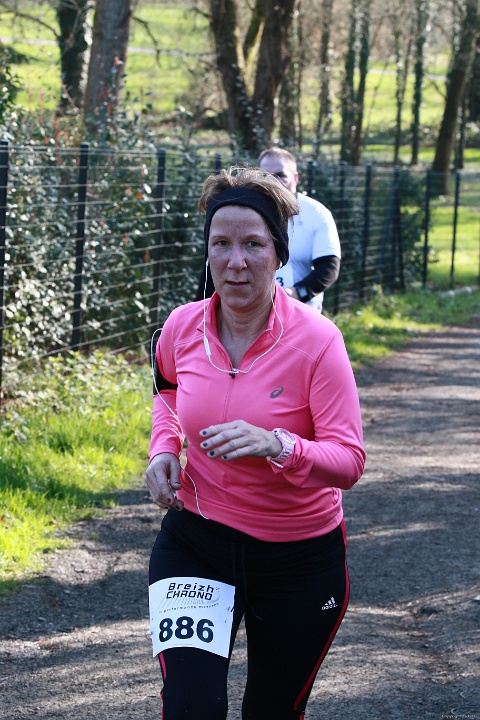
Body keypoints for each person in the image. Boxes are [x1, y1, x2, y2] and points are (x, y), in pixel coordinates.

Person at [145, 166, 365, 720]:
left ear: (279, 254)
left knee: (271, 712)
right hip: (196, 544)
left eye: (253, 245)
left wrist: (277, 444)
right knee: (191, 709)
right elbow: (167, 389)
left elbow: (348, 461)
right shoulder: (182, 327)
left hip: (298, 559)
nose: (236, 262)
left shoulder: (318, 342)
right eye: (221, 244)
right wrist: (164, 448)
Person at [195, 147, 341, 313]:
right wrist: (200, 313)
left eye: (280, 175)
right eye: (265, 176)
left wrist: (298, 292)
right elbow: (215, 262)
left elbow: (329, 267)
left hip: (300, 311)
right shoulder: (241, 212)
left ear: (296, 178)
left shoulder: (316, 213)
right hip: (247, 317)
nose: (273, 182)